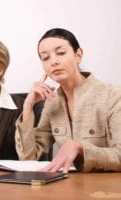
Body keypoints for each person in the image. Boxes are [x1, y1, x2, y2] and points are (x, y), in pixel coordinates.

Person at [15, 28, 121, 173]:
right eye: (45, 58)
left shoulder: (113, 96)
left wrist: (80, 147)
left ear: (78, 55)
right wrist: (28, 105)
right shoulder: (52, 102)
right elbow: (28, 157)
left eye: (61, 53)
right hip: (69, 187)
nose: (54, 62)